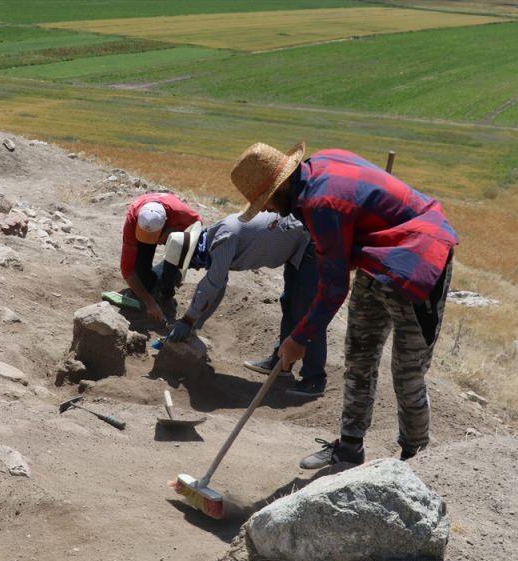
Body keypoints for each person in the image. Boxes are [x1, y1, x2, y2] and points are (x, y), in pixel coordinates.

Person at [230, 142, 458, 470]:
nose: (268, 210)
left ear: (280, 188)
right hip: (379, 254)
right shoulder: (317, 169)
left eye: (267, 202)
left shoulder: (320, 204)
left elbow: (334, 287)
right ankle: (350, 448)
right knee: (359, 356)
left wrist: (299, 338)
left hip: (420, 258)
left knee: (407, 373)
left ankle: (415, 460)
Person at [163, 211, 328, 397]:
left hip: (309, 244)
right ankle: (281, 363)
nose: (198, 268)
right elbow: (218, 286)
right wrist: (194, 324)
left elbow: (212, 283)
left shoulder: (223, 238)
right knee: (289, 303)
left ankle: (314, 379)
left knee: (305, 311)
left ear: (193, 254)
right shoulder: (211, 238)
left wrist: (187, 320)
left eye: (192, 265)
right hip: (294, 245)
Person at [120, 193, 203, 323]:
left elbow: (198, 224)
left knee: (177, 244)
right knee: (143, 284)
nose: (150, 241)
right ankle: (157, 281)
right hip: (147, 230)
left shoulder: (179, 212)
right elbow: (127, 270)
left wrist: (174, 231)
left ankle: (167, 290)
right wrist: (149, 301)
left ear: (166, 221)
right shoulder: (132, 220)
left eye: (152, 237)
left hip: (172, 230)